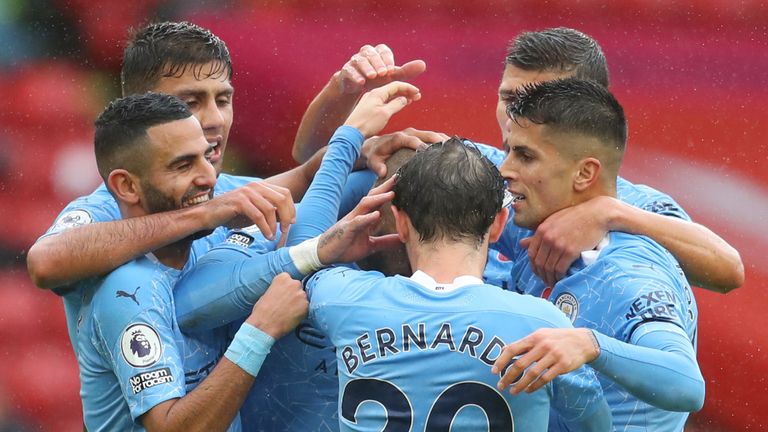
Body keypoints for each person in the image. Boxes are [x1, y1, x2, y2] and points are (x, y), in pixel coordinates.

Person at [291, 27, 744, 294]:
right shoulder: (470, 166)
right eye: (508, 98)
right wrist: (343, 94)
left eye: (535, 101)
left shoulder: (632, 204)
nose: (514, 118)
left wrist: (606, 212)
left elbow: (729, 270)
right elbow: (308, 160)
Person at [304, 138, 612, 430]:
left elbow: (299, 253)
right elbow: (594, 426)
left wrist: (348, 141)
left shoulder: (338, 297)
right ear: (498, 224)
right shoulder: (544, 325)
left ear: (399, 222)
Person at [77, 92, 307, 431]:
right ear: (126, 186)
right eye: (183, 165)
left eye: (207, 157)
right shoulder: (127, 292)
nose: (209, 178)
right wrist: (261, 329)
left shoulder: (202, 246)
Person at [492, 78, 704, 431]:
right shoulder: (536, 226)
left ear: (585, 173)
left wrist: (591, 345)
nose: (504, 170)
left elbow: (688, 385)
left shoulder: (628, 274)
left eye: (525, 156)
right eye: (509, 151)